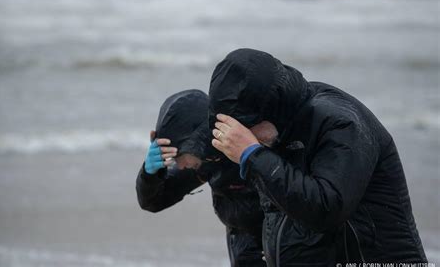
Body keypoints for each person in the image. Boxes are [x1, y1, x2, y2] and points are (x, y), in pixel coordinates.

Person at [208, 48, 427, 266]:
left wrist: (252, 155)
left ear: (272, 108)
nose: (247, 138)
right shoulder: (278, 132)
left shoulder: (339, 122)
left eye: (248, 128)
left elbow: (326, 209)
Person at [135, 89, 266, 267]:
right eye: (171, 159)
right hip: (242, 246)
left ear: (195, 140)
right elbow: (154, 201)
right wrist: (151, 174)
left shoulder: (252, 143)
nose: (179, 166)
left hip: (280, 245)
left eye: (177, 156)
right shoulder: (205, 161)